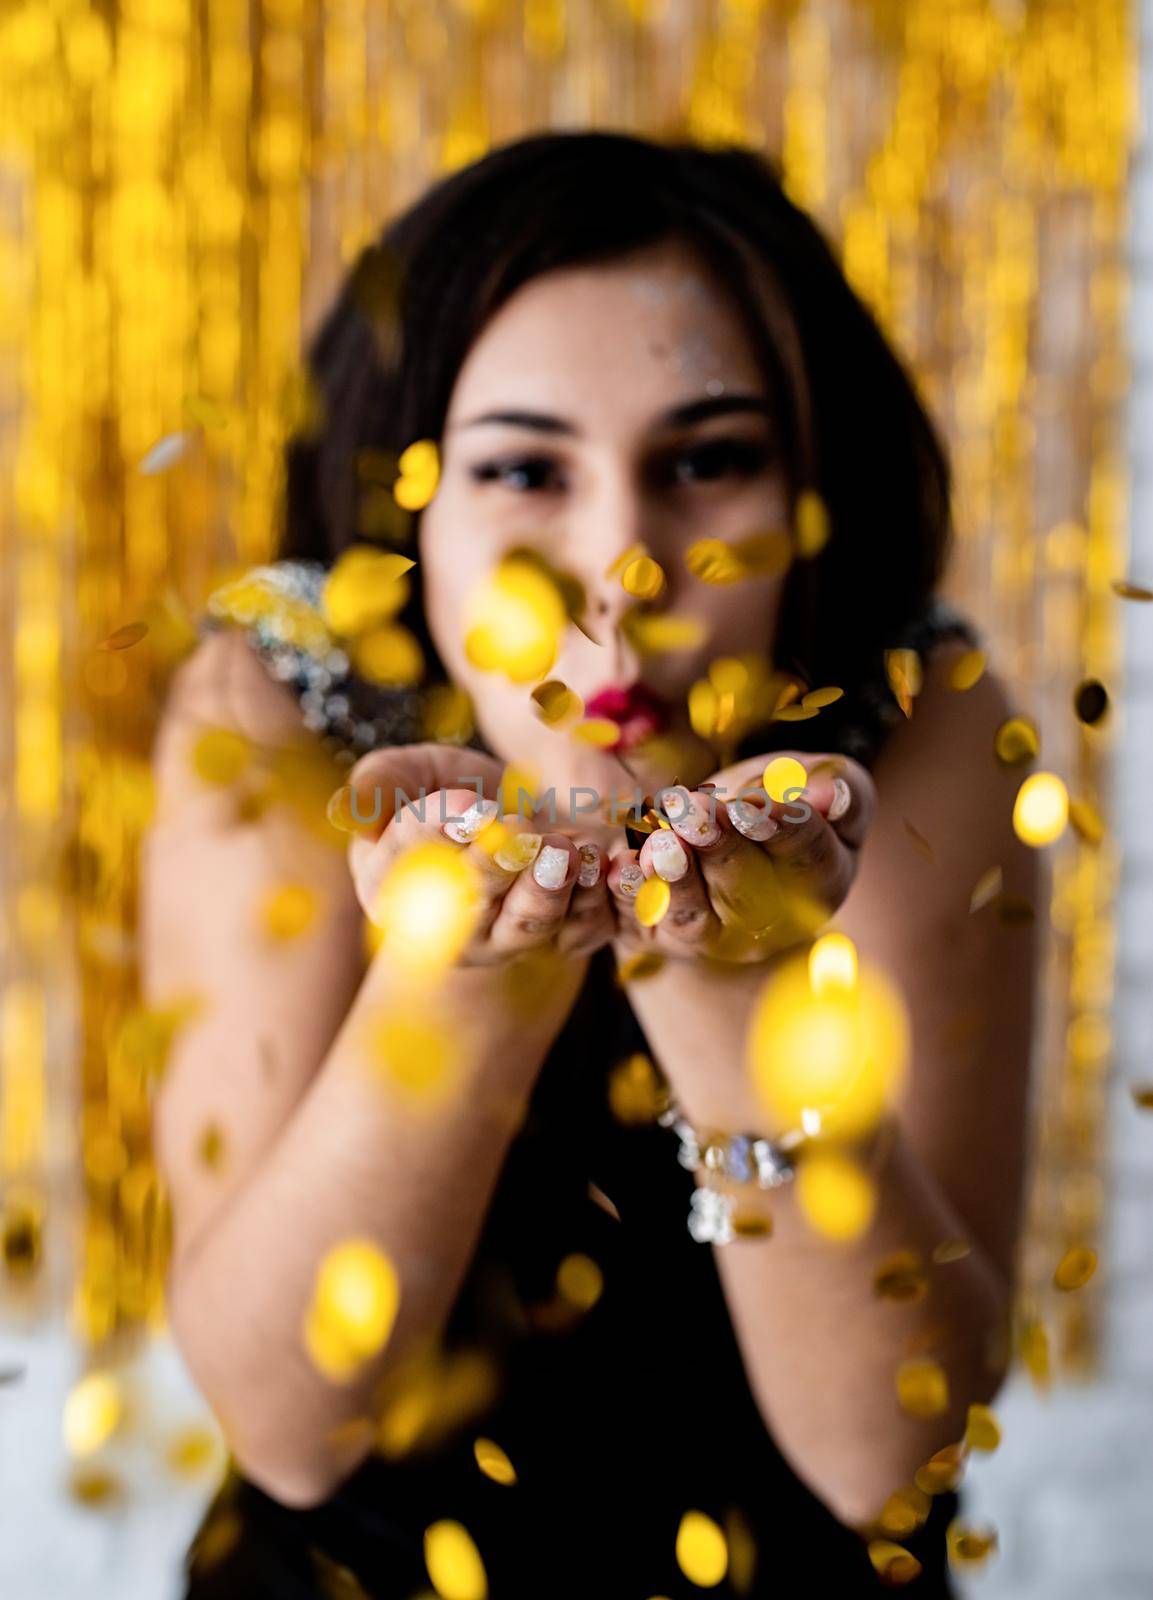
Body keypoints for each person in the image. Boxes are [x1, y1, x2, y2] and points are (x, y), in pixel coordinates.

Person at [140, 129, 1041, 1598]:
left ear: (810, 495)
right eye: (521, 472)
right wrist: (469, 969)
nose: (622, 568)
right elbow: (289, 1428)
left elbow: (893, 1457)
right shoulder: (277, 703)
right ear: (407, 511)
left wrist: (735, 980)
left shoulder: (915, 716)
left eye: (707, 461)